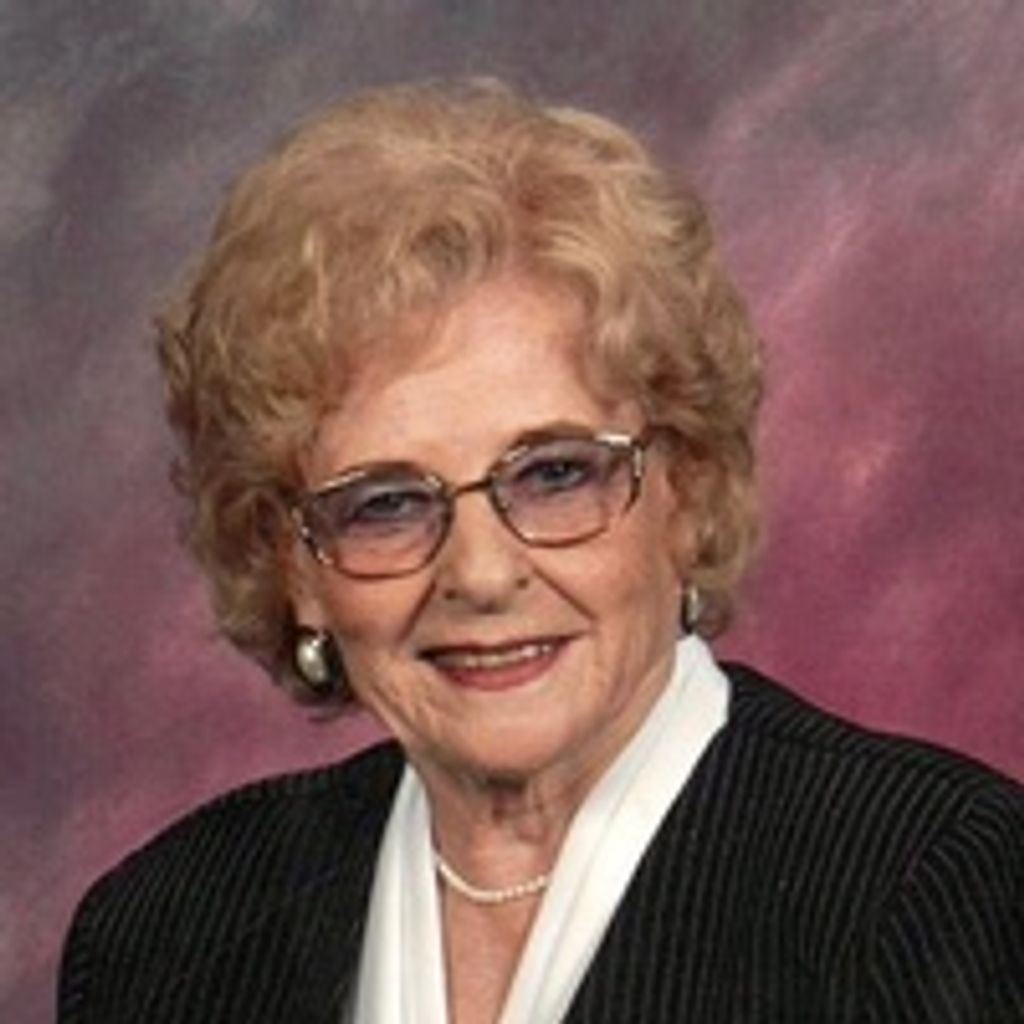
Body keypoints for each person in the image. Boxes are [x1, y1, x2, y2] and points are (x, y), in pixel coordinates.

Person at [58, 78, 1022, 1024]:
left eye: (555, 474)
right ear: (295, 566)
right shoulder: (166, 935)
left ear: (686, 489)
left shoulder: (938, 887)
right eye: (386, 503)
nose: (481, 574)